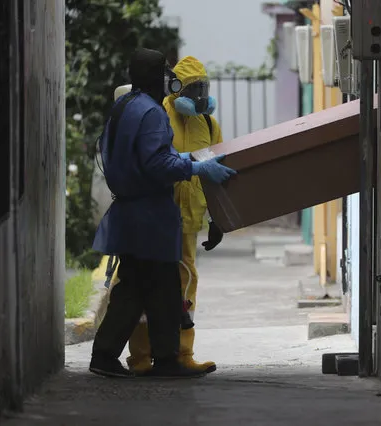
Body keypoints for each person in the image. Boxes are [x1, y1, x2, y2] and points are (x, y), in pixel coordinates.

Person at [89, 47, 237, 379]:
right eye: (166, 74)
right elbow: (158, 163)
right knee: (148, 286)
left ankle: (163, 357)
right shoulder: (153, 113)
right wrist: (197, 169)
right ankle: (116, 354)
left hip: (132, 209)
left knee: (157, 286)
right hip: (149, 213)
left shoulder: (124, 106)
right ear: (161, 78)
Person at [125, 56, 224, 375]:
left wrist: (219, 221)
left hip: (188, 223)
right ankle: (141, 357)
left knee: (185, 288)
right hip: (157, 218)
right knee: (143, 286)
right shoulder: (158, 116)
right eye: (193, 88)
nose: (199, 96)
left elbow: (216, 174)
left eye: (203, 88)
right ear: (176, 87)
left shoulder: (208, 123)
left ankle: (182, 353)